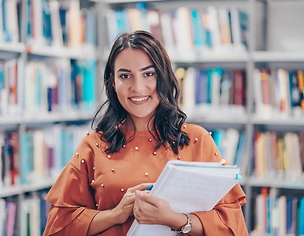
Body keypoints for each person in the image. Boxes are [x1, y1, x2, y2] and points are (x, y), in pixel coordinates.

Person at [43, 30, 249, 236]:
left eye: (148, 74)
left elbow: (233, 224)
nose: (138, 87)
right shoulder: (94, 144)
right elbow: (59, 225)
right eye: (125, 76)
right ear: (113, 82)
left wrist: (175, 220)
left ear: (164, 77)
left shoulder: (198, 140)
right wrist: (115, 215)